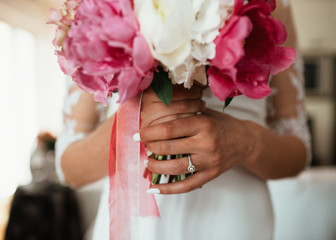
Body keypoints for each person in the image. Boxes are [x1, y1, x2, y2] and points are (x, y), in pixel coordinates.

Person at [55, 1, 311, 239]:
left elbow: (298, 151)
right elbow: (70, 168)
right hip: (136, 223)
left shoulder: (273, 4)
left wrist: (248, 142)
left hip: (231, 219)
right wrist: (132, 123)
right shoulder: (95, 4)